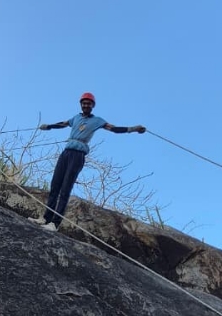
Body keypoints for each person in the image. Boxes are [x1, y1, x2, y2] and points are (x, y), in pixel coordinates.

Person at [31, 92, 146, 232]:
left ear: (92, 106)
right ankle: (45, 218)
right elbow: (63, 124)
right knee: (55, 185)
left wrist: (133, 129)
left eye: (89, 103)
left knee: (65, 188)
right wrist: (48, 126)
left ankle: (55, 224)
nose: (86, 105)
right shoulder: (76, 118)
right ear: (81, 104)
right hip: (66, 153)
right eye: (84, 103)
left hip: (78, 155)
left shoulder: (97, 121)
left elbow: (114, 129)